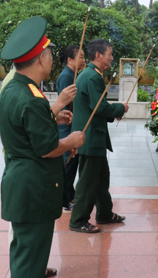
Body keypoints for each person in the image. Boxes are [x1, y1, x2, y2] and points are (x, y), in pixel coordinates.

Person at [0, 16, 85, 278]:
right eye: (48, 54)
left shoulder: (13, 89)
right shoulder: (31, 98)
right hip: (33, 189)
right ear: (39, 60)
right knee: (30, 260)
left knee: (24, 253)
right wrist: (71, 141)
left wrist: (51, 116)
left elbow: (24, 128)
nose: (51, 59)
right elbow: (46, 148)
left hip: (21, 184)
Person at [69, 39, 129, 233]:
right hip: (90, 138)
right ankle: (78, 220)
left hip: (93, 137)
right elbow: (99, 107)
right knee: (88, 182)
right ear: (98, 55)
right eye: (110, 54)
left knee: (102, 178)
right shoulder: (92, 77)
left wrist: (114, 112)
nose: (112, 58)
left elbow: (93, 108)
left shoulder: (89, 75)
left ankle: (105, 213)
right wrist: (121, 108)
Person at [57, 45, 87, 213]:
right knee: (68, 163)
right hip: (67, 124)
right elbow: (66, 103)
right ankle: (64, 199)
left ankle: (70, 193)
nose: (83, 60)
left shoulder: (74, 75)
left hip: (72, 124)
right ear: (70, 60)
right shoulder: (66, 76)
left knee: (72, 162)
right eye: (80, 57)